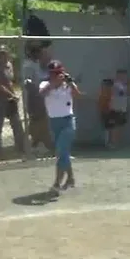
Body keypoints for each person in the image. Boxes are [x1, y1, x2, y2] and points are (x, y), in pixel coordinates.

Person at [39, 61, 81, 195]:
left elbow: (77, 95)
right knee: (63, 153)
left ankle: (57, 183)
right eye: (53, 73)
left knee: (61, 151)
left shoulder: (67, 85)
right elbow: (42, 93)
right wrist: (54, 83)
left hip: (68, 121)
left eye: (58, 73)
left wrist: (71, 83)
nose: (56, 75)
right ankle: (71, 178)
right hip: (54, 122)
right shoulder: (45, 84)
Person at [0, 46, 25, 157]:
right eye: (0, 54)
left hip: (10, 101)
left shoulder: (9, 65)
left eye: (5, 53)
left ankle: (21, 148)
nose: (3, 56)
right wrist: (12, 95)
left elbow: (11, 82)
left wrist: (13, 95)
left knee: (17, 125)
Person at [22, 46, 53, 152]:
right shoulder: (28, 66)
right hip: (33, 97)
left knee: (42, 120)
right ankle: (34, 144)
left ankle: (39, 142)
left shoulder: (37, 65)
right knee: (36, 120)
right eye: (39, 53)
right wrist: (37, 92)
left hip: (40, 96)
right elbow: (28, 83)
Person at [101, 69, 129, 148]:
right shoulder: (117, 85)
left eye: (124, 76)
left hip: (121, 108)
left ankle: (115, 142)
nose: (123, 77)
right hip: (115, 108)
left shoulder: (124, 85)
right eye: (120, 75)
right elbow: (120, 93)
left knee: (118, 126)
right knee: (114, 126)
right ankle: (112, 142)